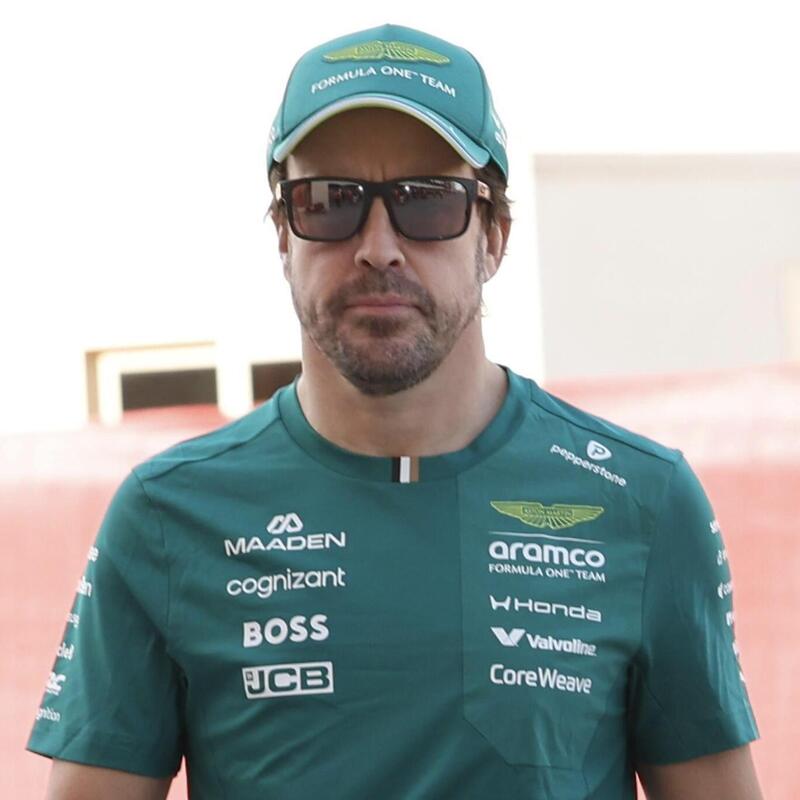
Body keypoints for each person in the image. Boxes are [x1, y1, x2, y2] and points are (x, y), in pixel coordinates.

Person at [28, 23, 762, 800]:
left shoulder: (641, 502)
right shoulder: (166, 515)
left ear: (495, 236)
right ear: (282, 234)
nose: (378, 247)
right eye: (329, 201)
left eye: (429, 200)